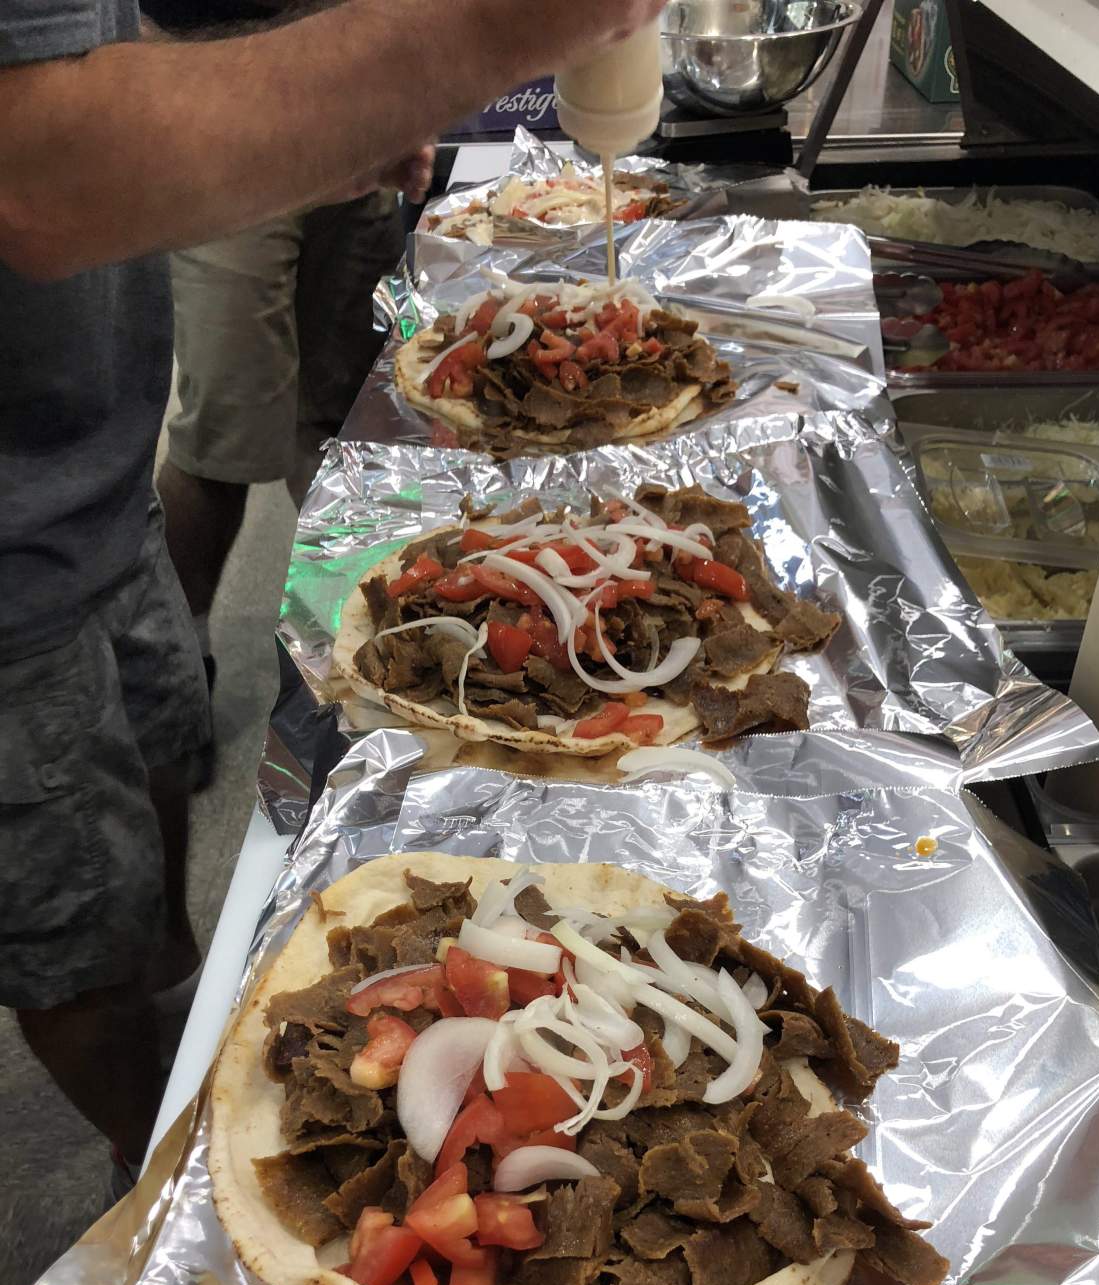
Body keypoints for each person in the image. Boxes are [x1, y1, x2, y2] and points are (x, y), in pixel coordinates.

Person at [0, 0, 667, 1179]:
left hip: (86, 491)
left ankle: (181, 1074)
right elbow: (36, 170)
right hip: (16, 574)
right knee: (80, 956)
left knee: (151, 871)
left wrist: (301, 131)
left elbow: (92, 54)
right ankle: (183, 1179)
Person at [144, 0, 409, 700]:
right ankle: (175, 679)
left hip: (356, 104)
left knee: (348, 421)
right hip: (216, 115)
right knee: (220, 449)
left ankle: (384, 637)